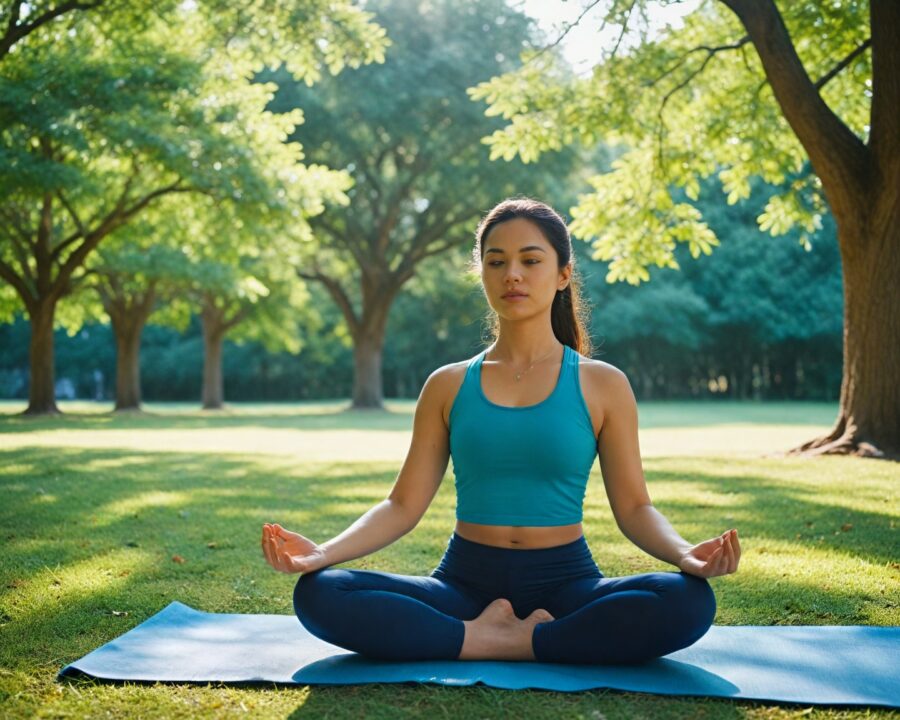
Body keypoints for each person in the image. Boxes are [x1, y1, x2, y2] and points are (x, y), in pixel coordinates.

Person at [261, 197, 741, 664]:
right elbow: (402, 505)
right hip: (463, 585)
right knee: (322, 592)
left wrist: (684, 554)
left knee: (688, 601)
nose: (512, 274)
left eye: (530, 260)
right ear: (483, 273)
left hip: (566, 583)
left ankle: (511, 641)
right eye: (496, 262)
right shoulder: (447, 385)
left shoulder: (603, 384)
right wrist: (323, 552)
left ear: (563, 274)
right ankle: (498, 638)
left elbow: (635, 508)